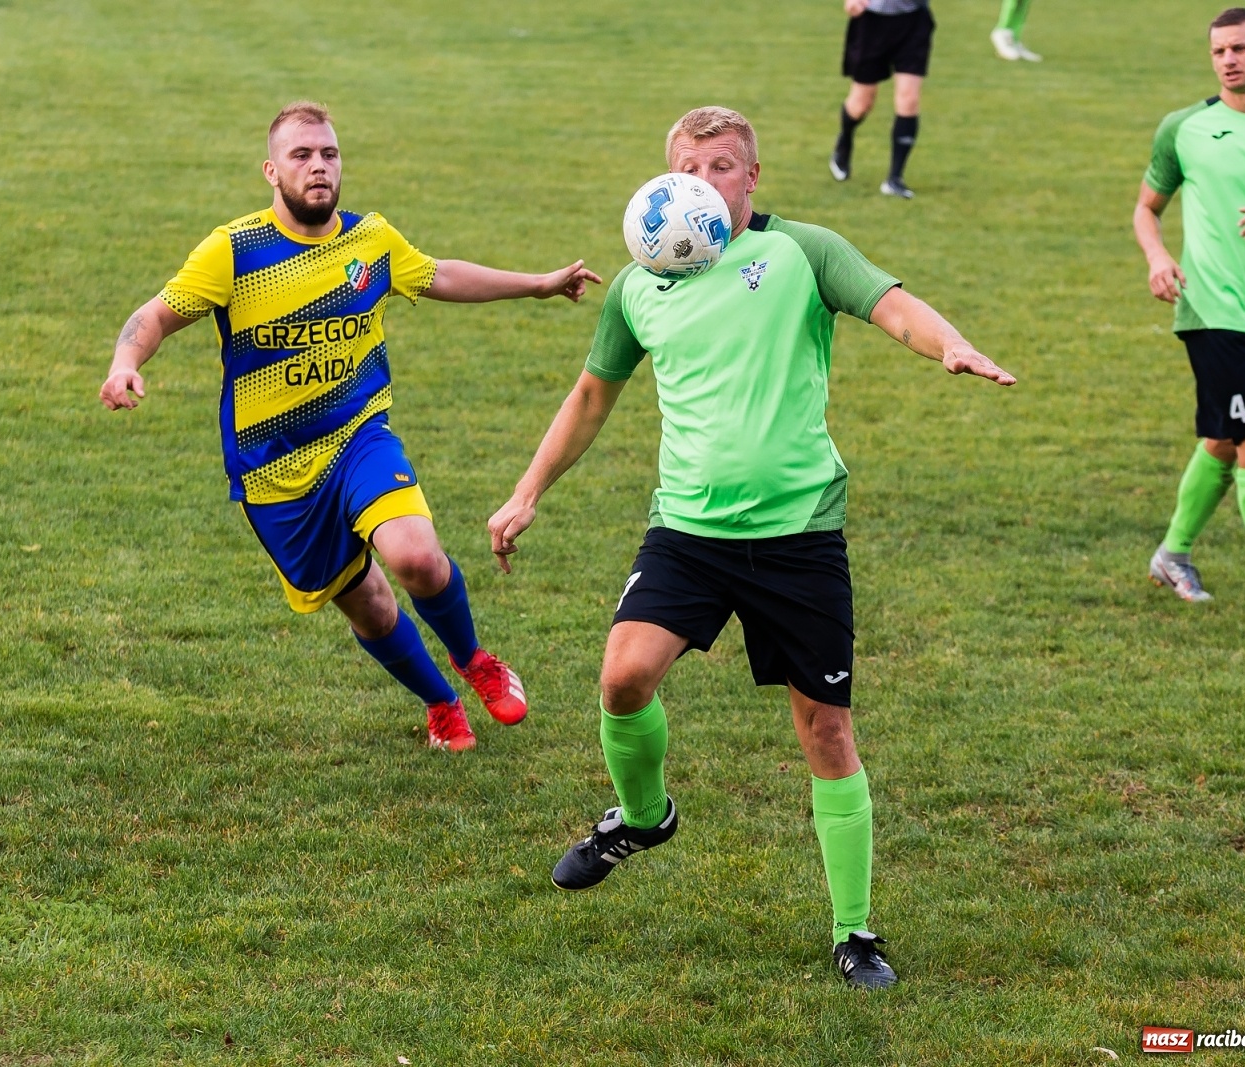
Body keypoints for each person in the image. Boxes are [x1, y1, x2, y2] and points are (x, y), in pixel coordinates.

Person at [489, 107, 1015, 989]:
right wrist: (526, 491)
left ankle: (855, 931)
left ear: (752, 176)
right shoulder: (638, 281)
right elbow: (590, 397)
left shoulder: (803, 251)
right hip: (688, 532)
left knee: (827, 730)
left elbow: (891, 304)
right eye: (690, 167)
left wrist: (948, 344)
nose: (707, 181)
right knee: (622, 676)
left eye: (723, 165)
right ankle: (646, 817)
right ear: (667, 180)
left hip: (799, 535)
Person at [101, 101, 601, 748]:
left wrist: (537, 284)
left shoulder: (369, 239)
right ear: (270, 171)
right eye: (302, 156)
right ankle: (441, 701)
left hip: (359, 437)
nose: (318, 167)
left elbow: (438, 272)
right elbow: (156, 315)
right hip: (274, 472)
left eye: (329, 155)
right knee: (369, 603)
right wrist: (124, 362)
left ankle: (475, 660)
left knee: (415, 556)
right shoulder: (234, 250)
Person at [1134, 8, 1245, 632]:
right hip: (1207, 309)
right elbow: (1146, 208)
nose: (1228, 59)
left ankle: (1172, 554)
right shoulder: (1185, 128)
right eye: (1217, 52)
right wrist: (1158, 257)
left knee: (1224, 441)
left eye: (1238, 48)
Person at [830, 0, 935, 199]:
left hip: (914, 21)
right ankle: (845, 140)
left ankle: (894, 179)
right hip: (871, 23)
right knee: (861, 105)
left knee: (909, 98)